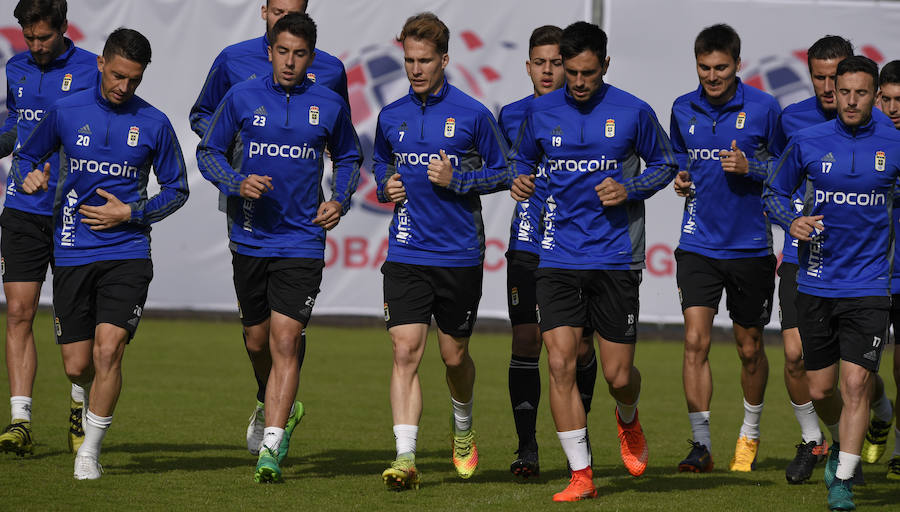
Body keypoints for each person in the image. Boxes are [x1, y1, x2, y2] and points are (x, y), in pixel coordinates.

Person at [11, 27, 189, 479]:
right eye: (117, 76)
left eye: (134, 79)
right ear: (100, 64)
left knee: (110, 350)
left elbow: (177, 189)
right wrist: (29, 176)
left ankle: (89, 450)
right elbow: (26, 157)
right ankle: (80, 397)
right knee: (78, 365)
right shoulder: (66, 110)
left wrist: (131, 212)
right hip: (72, 249)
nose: (123, 87)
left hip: (128, 251)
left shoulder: (154, 122)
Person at [510, 21, 677, 501]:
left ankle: (628, 417)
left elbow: (665, 163)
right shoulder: (540, 111)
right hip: (557, 256)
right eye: (571, 72)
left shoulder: (633, 111)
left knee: (617, 376)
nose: (579, 82)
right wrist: (522, 180)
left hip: (615, 259)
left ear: (605, 65)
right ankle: (581, 475)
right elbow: (522, 160)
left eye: (588, 73)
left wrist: (631, 188)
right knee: (560, 364)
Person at [197, 12, 361, 483]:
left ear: (312, 58)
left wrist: (339, 199)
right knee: (257, 340)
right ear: (270, 51)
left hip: (302, 238)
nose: (290, 62)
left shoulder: (328, 103)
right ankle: (271, 400)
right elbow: (208, 151)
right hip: (249, 235)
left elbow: (349, 155)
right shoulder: (241, 95)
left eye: (300, 54)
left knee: (286, 338)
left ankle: (271, 447)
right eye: (282, 51)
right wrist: (235, 181)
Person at [372, 12, 511, 491]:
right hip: (407, 252)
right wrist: (383, 183)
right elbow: (379, 161)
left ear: (445, 59)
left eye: (425, 60)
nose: (415, 69)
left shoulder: (473, 114)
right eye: (409, 60)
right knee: (405, 349)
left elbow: (506, 172)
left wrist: (460, 181)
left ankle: (463, 424)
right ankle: (405, 456)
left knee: (454, 358)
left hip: (458, 256)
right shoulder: (391, 116)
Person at [764, 55, 900, 511]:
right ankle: (845, 442)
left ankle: (843, 477)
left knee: (856, 384)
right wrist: (792, 220)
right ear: (834, 91)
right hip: (817, 282)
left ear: (874, 94)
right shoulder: (806, 140)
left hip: (869, 285)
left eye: (861, 93)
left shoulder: (894, 143)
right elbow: (773, 191)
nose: (850, 100)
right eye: (844, 91)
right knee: (821, 389)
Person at [669, 24, 780, 474]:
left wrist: (750, 166)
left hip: (750, 246)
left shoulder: (764, 107)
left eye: (720, 68)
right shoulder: (681, 107)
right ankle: (701, 445)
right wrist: (679, 178)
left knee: (750, 347)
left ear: (738, 64)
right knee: (695, 341)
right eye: (704, 68)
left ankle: (749, 435)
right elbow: (678, 159)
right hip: (697, 243)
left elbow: (786, 168)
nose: (712, 76)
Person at [498, 24, 597, 480]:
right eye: (540, 62)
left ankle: (581, 432)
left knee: (578, 348)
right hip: (527, 244)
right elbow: (500, 172)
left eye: (557, 62)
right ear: (528, 66)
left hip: (578, 248)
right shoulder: (512, 115)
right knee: (526, 340)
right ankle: (526, 447)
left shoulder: (589, 114)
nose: (548, 70)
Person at [0, 0, 97, 458]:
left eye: (43, 37)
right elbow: (16, 129)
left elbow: (103, 131)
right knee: (18, 312)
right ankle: (20, 420)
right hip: (22, 207)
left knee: (77, 330)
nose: (35, 46)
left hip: (73, 212)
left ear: (63, 29)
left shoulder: (91, 70)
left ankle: (78, 403)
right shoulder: (16, 67)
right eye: (28, 37)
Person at [877, 59, 900, 480]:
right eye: (889, 99)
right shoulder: (861, 140)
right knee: (856, 371)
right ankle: (880, 414)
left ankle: (899, 447)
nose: (895, 107)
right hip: (868, 274)